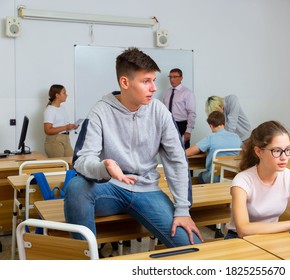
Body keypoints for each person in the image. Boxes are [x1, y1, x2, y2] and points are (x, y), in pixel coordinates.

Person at [64, 47, 203, 247]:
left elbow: (177, 160)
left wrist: (182, 209)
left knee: (191, 246)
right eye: (146, 81)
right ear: (125, 82)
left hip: (147, 190)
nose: (154, 88)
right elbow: (81, 160)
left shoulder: (160, 111)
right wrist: (104, 167)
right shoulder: (100, 112)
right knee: (76, 187)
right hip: (110, 189)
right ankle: (87, 259)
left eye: (153, 80)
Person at [186, 111, 242, 184]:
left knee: (200, 176)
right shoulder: (236, 137)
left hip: (215, 177)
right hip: (233, 177)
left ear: (211, 126)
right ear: (224, 124)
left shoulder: (211, 138)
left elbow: (190, 151)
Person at [162, 68, 196, 149]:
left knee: (182, 151)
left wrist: (188, 131)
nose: (172, 79)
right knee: (169, 150)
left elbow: (192, 113)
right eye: (170, 77)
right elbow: (163, 111)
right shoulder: (166, 92)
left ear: (181, 78)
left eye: (175, 77)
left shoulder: (187, 93)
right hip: (168, 124)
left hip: (181, 125)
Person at [43, 84, 78, 157]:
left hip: (66, 139)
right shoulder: (50, 110)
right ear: (57, 95)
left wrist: (71, 127)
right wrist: (66, 127)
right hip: (55, 141)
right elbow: (47, 130)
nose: (66, 95)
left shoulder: (62, 108)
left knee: (72, 163)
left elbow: (62, 126)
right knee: (60, 166)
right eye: (64, 93)